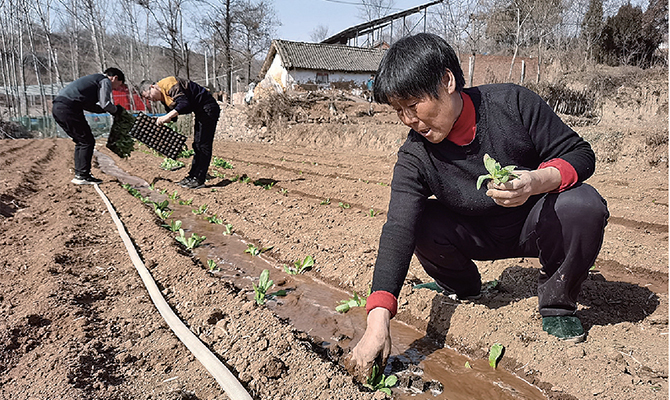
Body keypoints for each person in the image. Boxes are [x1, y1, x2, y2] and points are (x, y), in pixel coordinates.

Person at [345, 33, 609, 381]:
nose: (408, 120)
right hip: (475, 234)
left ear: (447, 81)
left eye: (413, 105)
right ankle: (462, 286)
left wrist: (535, 182)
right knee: (420, 220)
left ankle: (558, 302)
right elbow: (398, 227)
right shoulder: (415, 155)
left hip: (535, 222)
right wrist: (377, 321)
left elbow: (580, 154)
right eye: (399, 111)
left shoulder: (512, 103)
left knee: (583, 204)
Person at [140, 77, 220, 189]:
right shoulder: (164, 97)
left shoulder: (168, 84)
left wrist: (167, 116)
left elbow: (184, 104)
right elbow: (173, 117)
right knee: (197, 145)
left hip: (208, 108)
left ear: (152, 87)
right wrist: (158, 121)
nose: (151, 100)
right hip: (201, 111)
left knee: (203, 144)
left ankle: (199, 179)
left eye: (149, 96)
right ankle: (193, 176)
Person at [52, 67, 126, 184]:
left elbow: (89, 106)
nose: (116, 88)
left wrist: (106, 111)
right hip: (68, 108)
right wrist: (117, 111)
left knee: (82, 141)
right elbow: (105, 103)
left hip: (59, 107)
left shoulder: (93, 81)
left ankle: (81, 174)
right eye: (118, 85)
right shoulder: (105, 81)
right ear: (115, 78)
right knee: (87, 141)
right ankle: (82, 175)